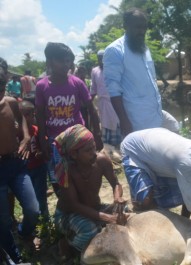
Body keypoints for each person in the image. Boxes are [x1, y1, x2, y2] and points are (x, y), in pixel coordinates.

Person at [35, 42, 103, 196]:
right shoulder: (41, 86)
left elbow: (91, 109)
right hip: (55, 141)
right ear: (50, 61)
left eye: (69, 61)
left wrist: (96, 134)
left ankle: (87, 203)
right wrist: (43, 139)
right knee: (59, 178)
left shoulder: (77, 83)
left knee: (83, 173)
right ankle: (66, 207)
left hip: (77, 139)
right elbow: (39, 115)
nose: (67, 65)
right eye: (62, 61)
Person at [54, 124, 124, 257]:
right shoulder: (67, 171)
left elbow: (116, 184)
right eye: (88, 150)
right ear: (74, 154)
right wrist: (107, 217)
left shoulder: (102, 160)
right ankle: (66, 244)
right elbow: (74, 205)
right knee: (90, 230)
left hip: (95, 209)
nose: (93, 153)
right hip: (68, 215)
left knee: (124, 213)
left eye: (94, 147)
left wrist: (117, 198)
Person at [0, 62, 40, 264]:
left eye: (0, 86)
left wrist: (25, 137)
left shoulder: (10, 102)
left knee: (33, 209)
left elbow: (22, 119)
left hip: (15, 164)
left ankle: (24, 233)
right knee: (3, 220)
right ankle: (14, 257)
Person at [103, 8, 162, 136]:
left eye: (144, 27)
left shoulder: (144, 49)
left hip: (155, 117)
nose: (142, 31)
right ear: (125, 26)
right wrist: (124, 121)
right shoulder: (115, 51)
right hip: (135, 122)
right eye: (138, 27)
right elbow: (113, 91)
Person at [19, 100, 49, 218]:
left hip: (39, 167)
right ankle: (31, 218)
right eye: (32, 115)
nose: (27, 118)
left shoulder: (36, 130)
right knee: (27, 197)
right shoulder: (17, 133)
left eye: (30, 115)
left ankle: (44, 218)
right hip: (24, 170)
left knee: (41, 194)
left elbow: (44, 144)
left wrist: (41, 152)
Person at [91, 50, 121, 147]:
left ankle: (117, 148)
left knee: (116, 125)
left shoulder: (114, 70)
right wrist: (88, 103)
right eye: (99, 59)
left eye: (103, 59)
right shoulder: (95, 71)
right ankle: (107, 148)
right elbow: (93, 89)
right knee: (104, 125)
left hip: (115, 104)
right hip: (103, 105)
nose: (101, 61)